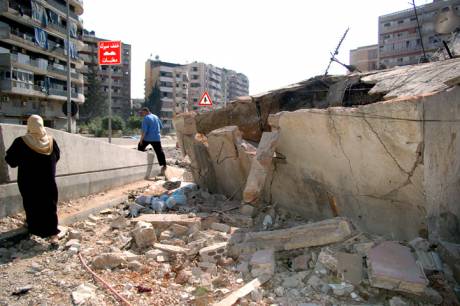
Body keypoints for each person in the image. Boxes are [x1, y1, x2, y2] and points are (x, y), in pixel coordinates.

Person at [5, 115, 61, 244]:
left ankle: (33, 227)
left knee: (31, 204)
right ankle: (53, 234)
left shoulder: (21, 141)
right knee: (49, 206)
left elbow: (11, 161)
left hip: (28, 182)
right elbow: (56, 157)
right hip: (48, 181)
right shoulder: (51, 141)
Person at [137, 107, 167, 173]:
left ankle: (139, 162)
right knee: (159, 152)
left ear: (145, 112)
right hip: (156, 138)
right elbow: (161, 127)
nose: (142, 114)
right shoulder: (156, 116)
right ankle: (164, 165)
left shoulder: (146, 118)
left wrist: (141, 140)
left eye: (142, 113)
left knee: (140, 147)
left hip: (148, 138)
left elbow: (144, 131)